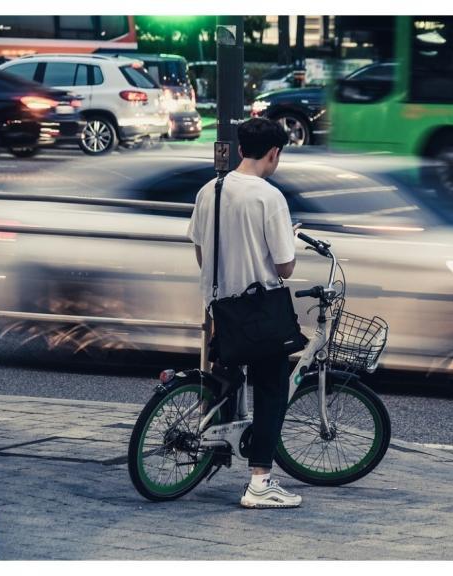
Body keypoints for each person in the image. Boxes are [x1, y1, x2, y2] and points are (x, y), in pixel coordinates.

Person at [187, 117, 302, 509]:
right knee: (272, 389)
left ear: (240, 150)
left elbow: (200, 252)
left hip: (220, 307)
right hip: (260, 312)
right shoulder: (269, 198)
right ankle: (259, 482)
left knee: (225, 379)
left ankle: (212, 448)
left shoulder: (210, 190)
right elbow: (286, 267)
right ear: (274, 153)